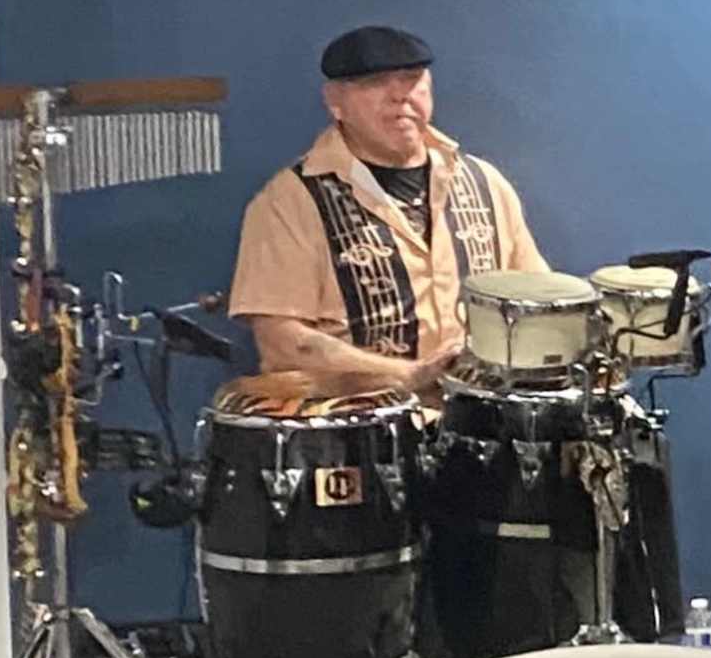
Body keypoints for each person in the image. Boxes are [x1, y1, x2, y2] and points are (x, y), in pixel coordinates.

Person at [227, 26, 548, 397]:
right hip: (361, 431)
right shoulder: (289, 201)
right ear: (335, 102)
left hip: (481, 427)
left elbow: (535, 298)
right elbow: (281, 343)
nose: (400, 95)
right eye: (375, 83)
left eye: (412, 79)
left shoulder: (485, 184)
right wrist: (408, 375)